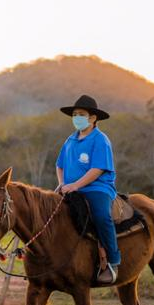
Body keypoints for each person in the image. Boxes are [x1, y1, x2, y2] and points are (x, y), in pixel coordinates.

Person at [55, 94, 119, 284]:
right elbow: (59, 165)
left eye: (81, 114)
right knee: (47, 212)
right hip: (70, 189)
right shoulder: (70, 140)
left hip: (97, 188)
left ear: (93, 118)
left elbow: (97, 169)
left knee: (101, 215)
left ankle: (113, 262)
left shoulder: (100, 140)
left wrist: (75, 185)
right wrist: (61, 183)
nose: (77, 118)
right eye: (75, 114)